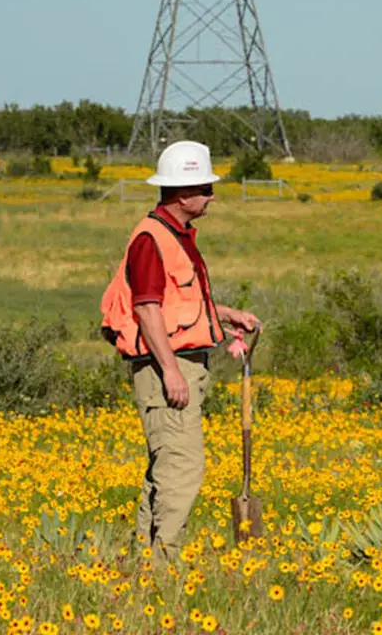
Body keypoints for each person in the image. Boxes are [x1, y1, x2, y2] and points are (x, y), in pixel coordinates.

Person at [100, 140, 261, 561]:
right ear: (181, 193)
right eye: (205, 188)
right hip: (166, 369)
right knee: (183, 469)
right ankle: (164, 565)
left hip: (182, 365)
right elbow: (147, 310)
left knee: (166, 468)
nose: (211, 195)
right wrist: (170, 371)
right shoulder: (151, 239)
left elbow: (176, 303)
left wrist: (226, 316)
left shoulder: (175, 235)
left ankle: (143, 559)